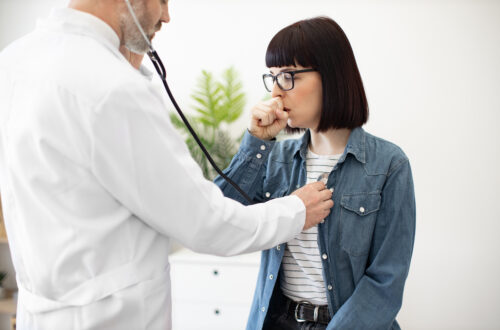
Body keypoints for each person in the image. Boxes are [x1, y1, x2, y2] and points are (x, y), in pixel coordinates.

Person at [0, 1, 335, 329]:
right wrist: (296, 210)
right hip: (109, 317)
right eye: (162, 0)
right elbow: (207, 221)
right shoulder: (112, 86)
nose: (167, 16)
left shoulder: (14, 61)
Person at [215, 17, 416, 329]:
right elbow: (219, 217)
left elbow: (385, 282)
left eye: (288, 77)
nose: (276, 94)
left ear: (331, 75)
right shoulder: (274, 159)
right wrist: (257, 143)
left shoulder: (389, 165)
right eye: (272, 78)